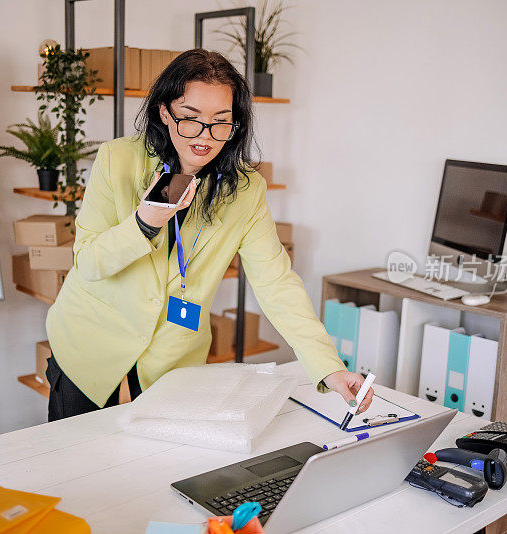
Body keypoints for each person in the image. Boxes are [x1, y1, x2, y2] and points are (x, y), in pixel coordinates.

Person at [45, 49, 374, 420]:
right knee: (76, 471)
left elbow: (276, 283)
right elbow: (88, 262)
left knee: (153, 475)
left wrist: (328, 367)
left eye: (221, 121)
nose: (205, 136)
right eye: (190, 118)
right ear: (165, 112)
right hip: (88, 351)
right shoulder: (117, 160)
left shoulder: (246, 190)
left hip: (171, 368)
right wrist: (142, 224)